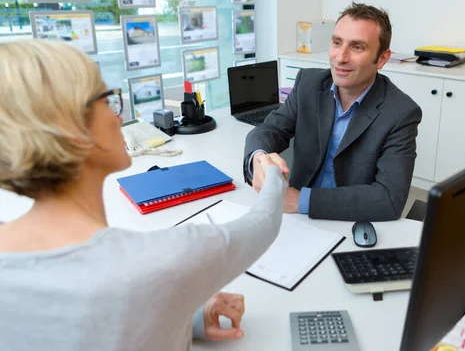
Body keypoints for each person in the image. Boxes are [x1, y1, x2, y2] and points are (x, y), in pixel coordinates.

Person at [0, 40, 287, 351]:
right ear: (74, 131)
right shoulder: (155, 260)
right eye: (108, 101)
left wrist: (181, 319)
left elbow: (64, 330)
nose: (119, 118)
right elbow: (264, 223)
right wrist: (272, 172)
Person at [244, 2, 422, 221]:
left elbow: (389, 198)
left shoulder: (400, 112)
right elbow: (271, 129)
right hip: (294, 219)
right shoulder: (308, 83)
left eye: (357, 47)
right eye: (337, 43)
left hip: (349, 220)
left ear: (383, 58)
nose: (341, 57)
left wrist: (299, 200)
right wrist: (258, 158)